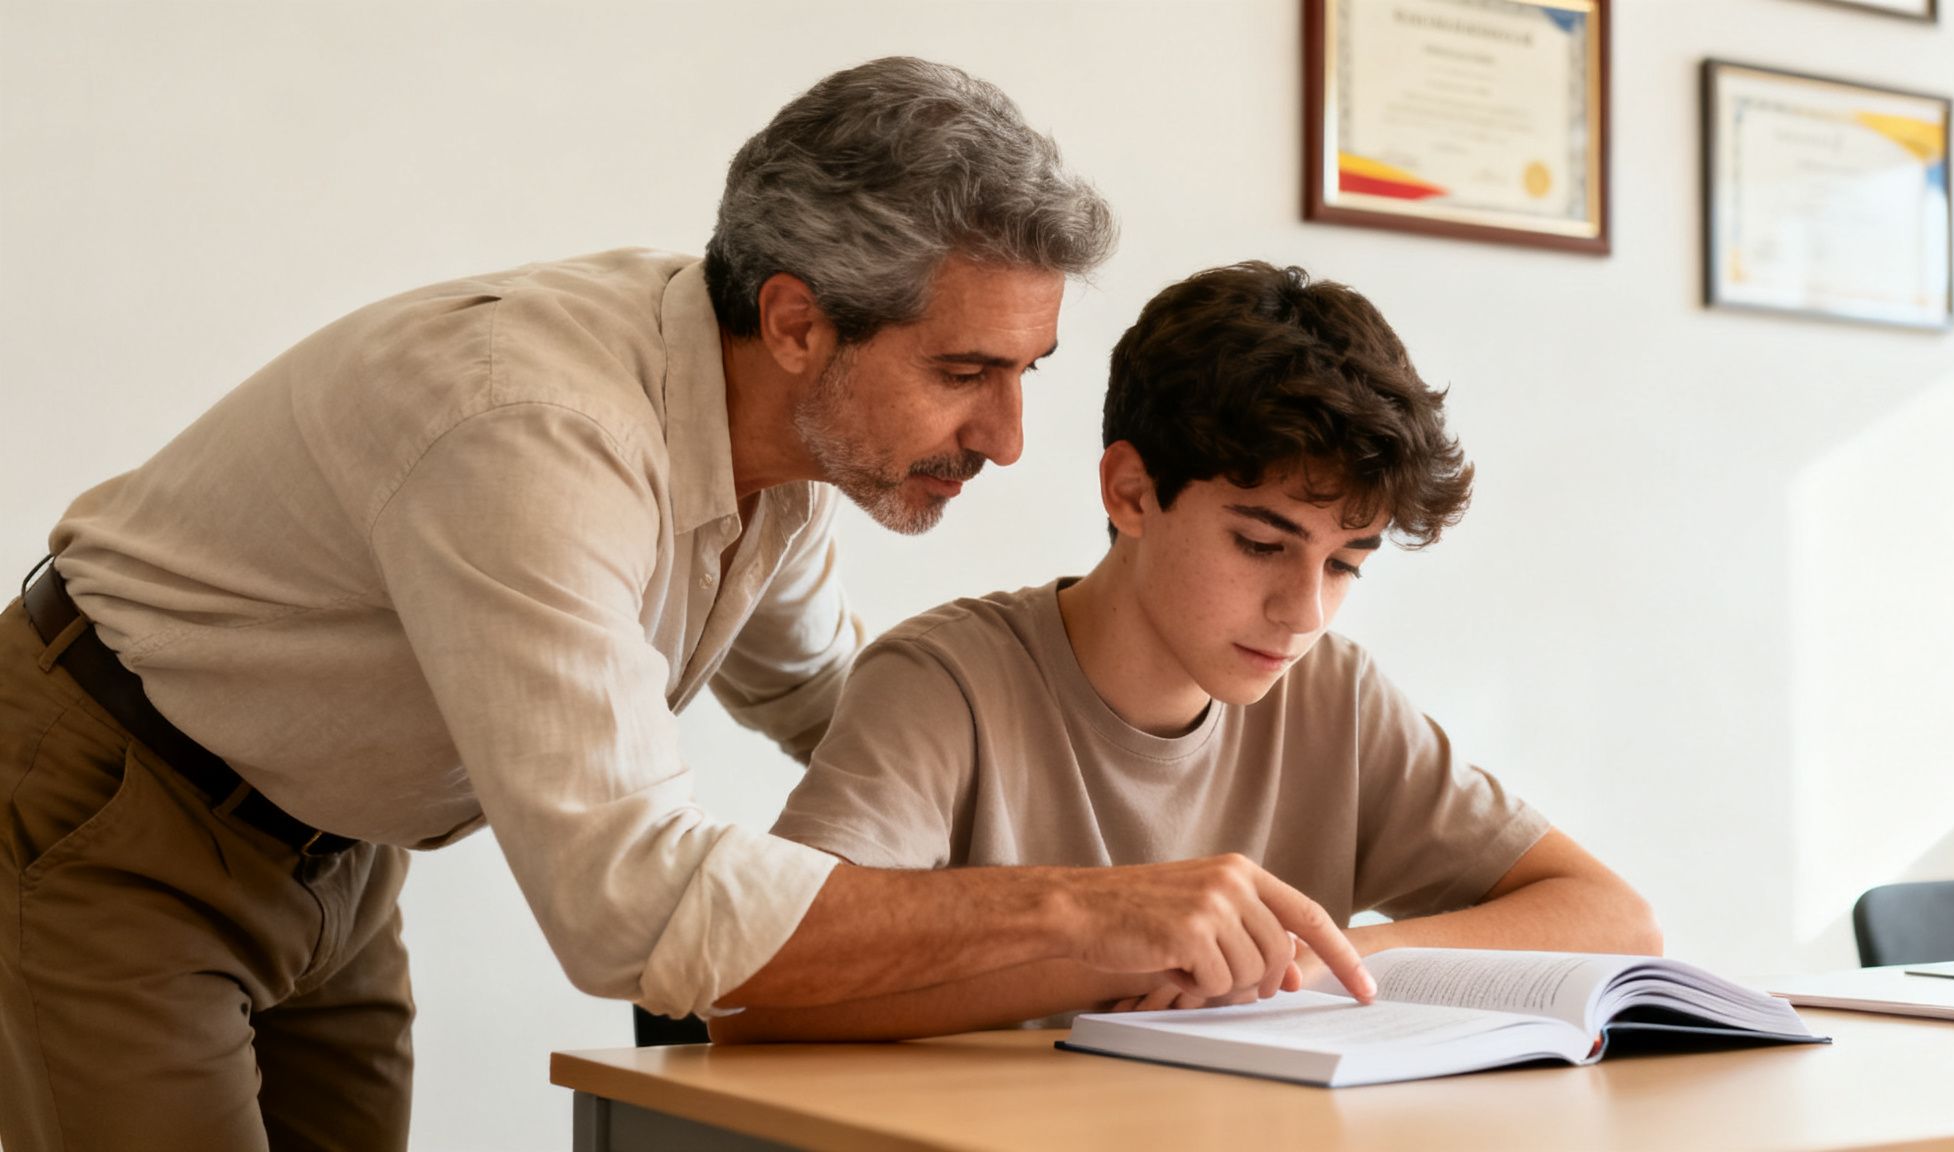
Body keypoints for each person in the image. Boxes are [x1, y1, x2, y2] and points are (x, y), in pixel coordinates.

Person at [0, 61, 1372, 1152]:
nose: (1011, 438)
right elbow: (633, 908)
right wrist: (1091, 917)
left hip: (339, 853)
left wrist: (1119, 798)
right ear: (795, 324)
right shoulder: (532, 435)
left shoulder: (774, 446)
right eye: (966, 371)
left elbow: (833, 702)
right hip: (113, 803)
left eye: (1028, 370)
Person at [726, 261, 1663, 1042]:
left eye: (1345, 565)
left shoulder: (1334, 694)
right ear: (1131, 493)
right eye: (1261, 545)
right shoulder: (945, 683)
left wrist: (1313, 956)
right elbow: (747, 993)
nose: (1304, 614)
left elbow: (1615, 919)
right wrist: (1116, 949)